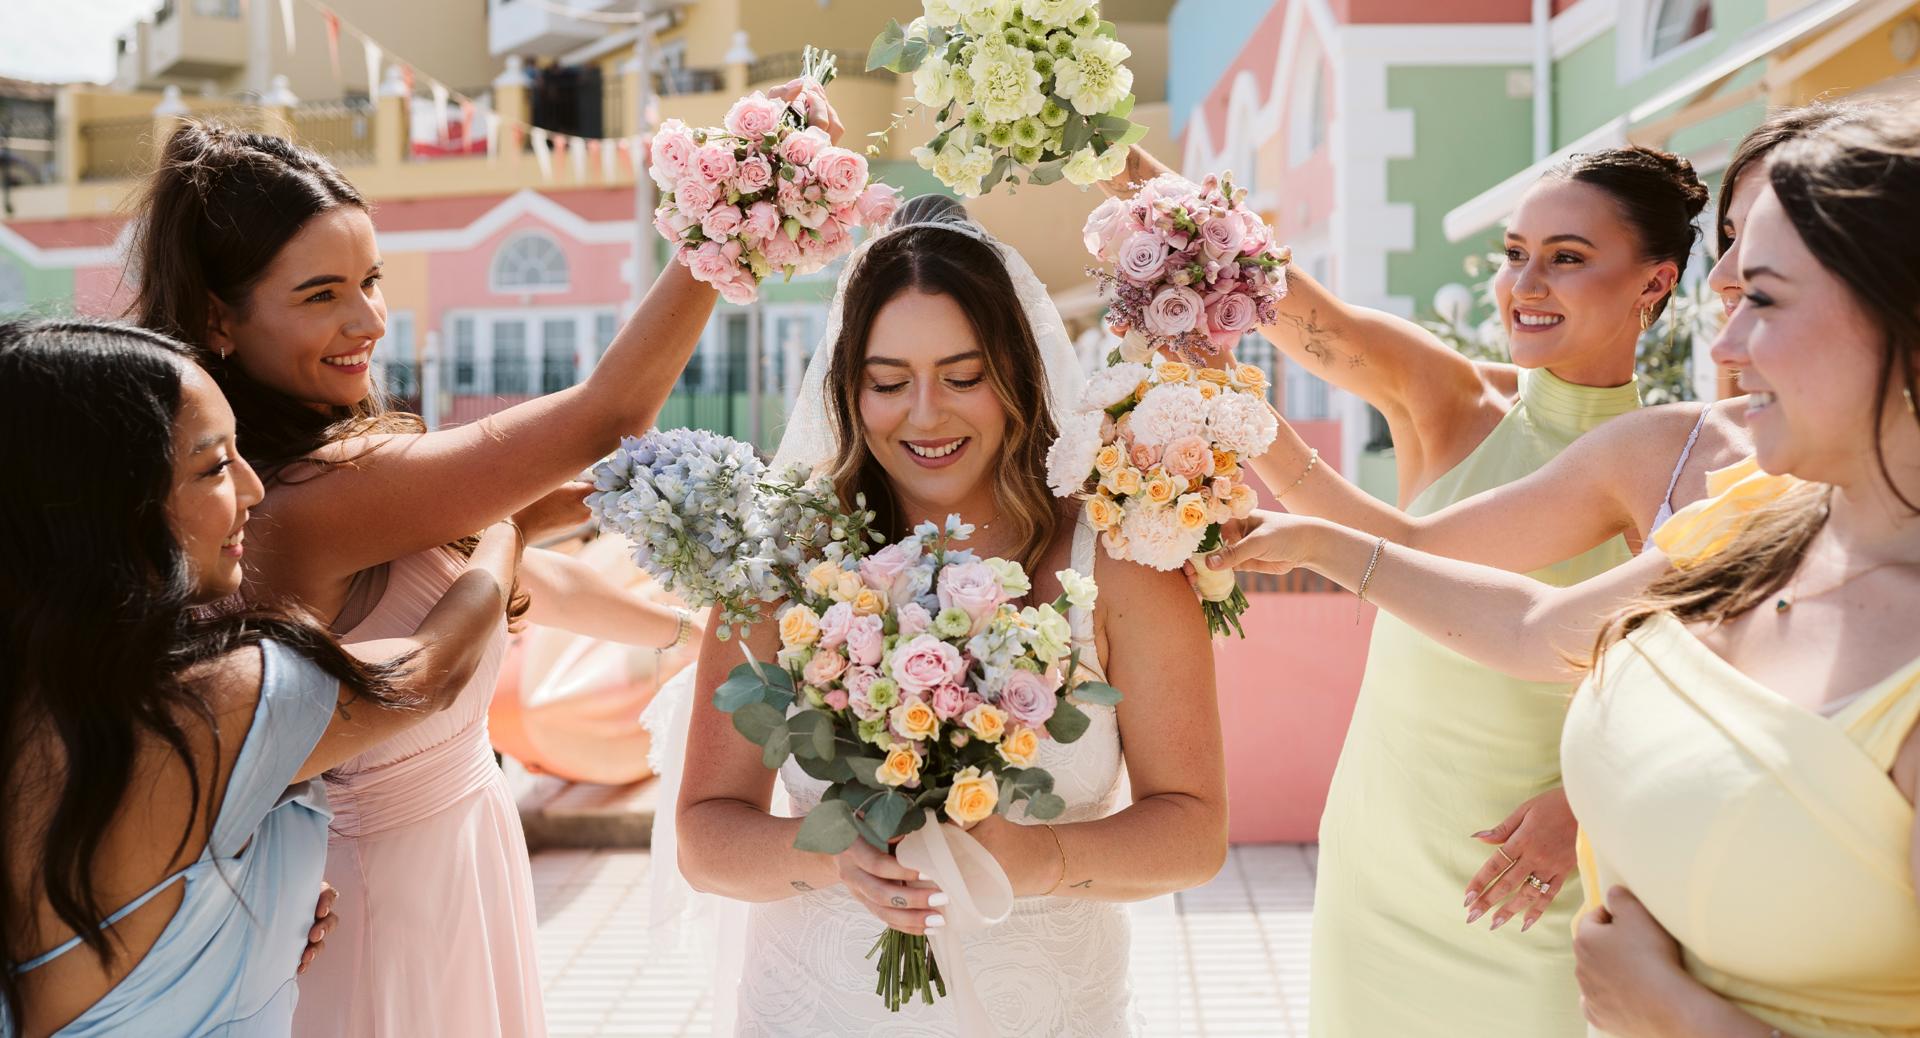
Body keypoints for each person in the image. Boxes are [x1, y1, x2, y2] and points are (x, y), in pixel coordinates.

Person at [1211, 104, 1920, 1038]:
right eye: (1514, 252)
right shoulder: (1745, 519)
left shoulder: (1725, 489)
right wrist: (1306, 524)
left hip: (1535, 905)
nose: (1725, 342)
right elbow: (1533, 625)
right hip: (1392, 845)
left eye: (1767, 296)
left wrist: (1665, 994)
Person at [119, 92, 821, 1031]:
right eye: (320, 294)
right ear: (219, 319)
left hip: (454, 863)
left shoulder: (347, 476)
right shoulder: (303, 497)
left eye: (370, 280)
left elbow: (515, 581)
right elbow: (606, 418)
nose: (367, 320)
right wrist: (733, 206)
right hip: (383, 903)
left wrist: (693, 625)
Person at [1102, 138, 1708, 1033]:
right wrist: (1090, 131)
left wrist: (1577, 805)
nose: (1525, 284)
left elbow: (1703, 685)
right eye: (1514, 255)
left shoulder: (1683, 464)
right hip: (1380, 846)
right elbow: (1273, 290)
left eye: (1567, 258)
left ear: (1653, 286)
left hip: (1533, 869)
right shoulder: (1451, 399)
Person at [667, 196, 1226, 1036]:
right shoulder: (779, 562)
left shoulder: (1117, 564)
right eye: (889, 383)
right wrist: (828, 855)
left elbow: (1194, 829)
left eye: (963, 378)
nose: (925, 414)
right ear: (847, 389)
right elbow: (705, 837)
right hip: (821, 1007)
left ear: (1018, 375)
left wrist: (1045, 860)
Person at [0, 320, 523, 1036]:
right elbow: (433, 667)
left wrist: (251, 920)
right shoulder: (216, 699)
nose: (252, 488)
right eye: (213, 467)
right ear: (109, 505)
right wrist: (505, 531)